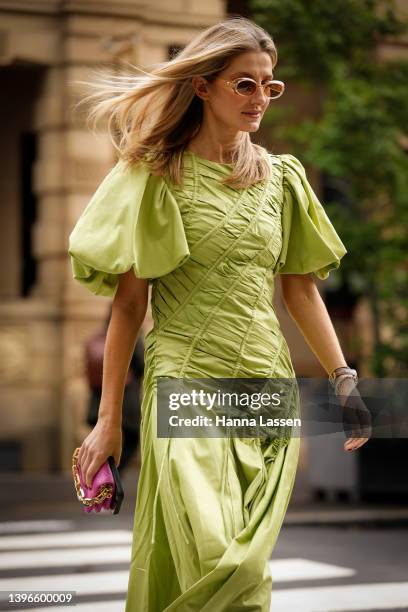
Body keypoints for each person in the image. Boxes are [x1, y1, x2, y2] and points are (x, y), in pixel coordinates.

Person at [68, 16, 369, 611]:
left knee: (246, 561)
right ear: (203, 86)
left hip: (264, 385)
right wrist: (109, 422)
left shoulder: (283, 181)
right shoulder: (155, 177)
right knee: (216, 555)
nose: (261, 98)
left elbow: (301, 291)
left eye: (269, 85)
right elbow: (130, 305)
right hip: (186, 379)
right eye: (245, 84)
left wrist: (343, 378)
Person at [84, 306, 144, 473]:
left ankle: (101, 479)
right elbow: (141, 365)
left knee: (101, 447)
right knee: (132, 440)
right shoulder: (131, 338)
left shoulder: (98, 339)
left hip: (97, 404)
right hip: (125, 403)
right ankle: (112, 475)